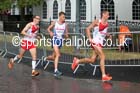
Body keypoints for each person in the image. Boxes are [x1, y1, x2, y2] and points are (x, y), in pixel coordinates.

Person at [71, 10, 112, 82]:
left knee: (92, 60)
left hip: (100, 43)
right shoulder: (97, 21)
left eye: (109, 15)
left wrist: (108, 35)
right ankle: (104, 76)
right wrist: (90, 38)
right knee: (102, 56)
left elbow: (103, 32)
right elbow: (87, 29)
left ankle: (77, 61)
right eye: (108, 15)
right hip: (95, 42)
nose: (109, 16)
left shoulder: (107, 23)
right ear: (103, 14)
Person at [44, 11, 68, 77]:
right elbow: (48, 29)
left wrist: (66, 36)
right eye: (63, 17)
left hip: (60, 40)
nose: (64, 18)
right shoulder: (55, 23)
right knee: (58, 55)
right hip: (55, 39)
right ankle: (55, 71)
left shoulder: (65, 24)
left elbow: (66, 34)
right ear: (59, 16)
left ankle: (45, 58)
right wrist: (50, 32)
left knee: (53, 57)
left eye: (64, 17)